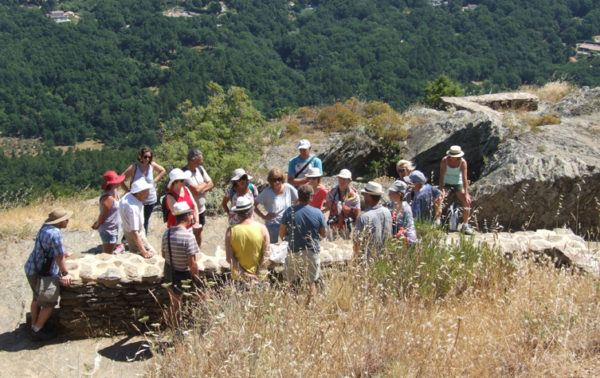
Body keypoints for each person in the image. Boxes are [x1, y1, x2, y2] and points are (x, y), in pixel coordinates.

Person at [24, 208, 73, 341]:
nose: (68, 221)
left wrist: (64, 251)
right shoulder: (55, 233)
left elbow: (54, 247)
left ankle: (33, 324)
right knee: (49, 303)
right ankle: (37, 330)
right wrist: (65, 273)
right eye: (66, 220)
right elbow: (59, 256)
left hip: (32, 268)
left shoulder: (45, 227)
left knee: (36, 298)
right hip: (44, 273)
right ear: (59, 222)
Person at [279, 185, 327, 305]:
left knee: (291, 281)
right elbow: (324, 234)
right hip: (311, 250)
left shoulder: (289, 211)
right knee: (311, 282)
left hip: (294, 249)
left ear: (298, 196)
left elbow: (282, 233)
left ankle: (291, 305)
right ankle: (309, 306)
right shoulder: (318, 212)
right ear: (311, 197)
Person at [161, 202, 200, 327]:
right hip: (183, 273)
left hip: (170, 272)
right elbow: (192, 263)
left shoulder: (166, 233)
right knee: (202, 297)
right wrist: (196, 278)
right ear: (187, 216)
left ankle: (175, 329)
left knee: (175, 304)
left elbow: (164, 254)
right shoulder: (188, 237)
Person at [120, 147, 166, 235]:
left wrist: (155, 180)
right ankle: (127, 240)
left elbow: (162, 170)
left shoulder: (151, 165)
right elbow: (121, 179)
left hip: (150, 199)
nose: (147, 159)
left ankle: (143, 240)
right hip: (136, 200)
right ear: (140, 156)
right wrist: (127, 191)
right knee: (134, 220)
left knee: (145, 221)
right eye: (145, 157)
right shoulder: (134, 167)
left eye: (149, 157)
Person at [225, 196, 270, 286]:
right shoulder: (262, 229)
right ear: (252, 210)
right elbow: (267, 255)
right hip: (260, 277)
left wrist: (245, 273)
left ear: (237, 213)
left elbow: (229, 258)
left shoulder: (231, 231)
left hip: (239, 278)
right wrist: (257, 273)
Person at [254, 168, 298, 243]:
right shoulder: (267, 191)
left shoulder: (288, 187)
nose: (277, 182)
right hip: (272, 225)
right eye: (274, 180)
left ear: (282, 178)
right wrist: (263, 216)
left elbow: (298, 200)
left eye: (279, 179)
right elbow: (253, 205)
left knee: (289, 247)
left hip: (287, 223)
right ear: (270, 180)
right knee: (271, 248)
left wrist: (294, 213)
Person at [439, 145, 474, 235]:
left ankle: (465, 225)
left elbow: (464, 178)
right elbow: (442, 175)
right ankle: (437, 222)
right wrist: (442, 189)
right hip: (447, 183)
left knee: (467, 202)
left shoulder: (462, 162)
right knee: (439, 199)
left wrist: (466, 193)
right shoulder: (444, 161)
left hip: (458, 184)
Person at [353, 182, 393, 261]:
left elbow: (357, 244)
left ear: (368, 196)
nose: (363, 196)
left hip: (369, 260)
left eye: (364, 194)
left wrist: (355, 260)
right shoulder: (387, 212)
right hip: (385, 259)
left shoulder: (364, 217)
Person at [183, 148, 214, 247]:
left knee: (199, 231)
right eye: (199, 160)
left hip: (201, 209)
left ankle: (198, 251)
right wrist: (204, 184)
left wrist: (202, 188)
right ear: (192, 160)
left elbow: (211, 183)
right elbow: (195, 191)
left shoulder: (200, 169)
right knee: (189, 233)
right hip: (189, 211)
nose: (202, 162)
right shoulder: (184, 173)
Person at [120, 179, 155, 259]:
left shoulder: (127, 196)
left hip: (127, 231)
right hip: (136, 234)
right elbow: (134, 232)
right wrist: (144, 251)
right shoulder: (133, 207)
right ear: (139, 193)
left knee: (134, 252)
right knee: (153, 254)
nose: (149, 194)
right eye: (146, 191)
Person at [92, 171, 126, 254]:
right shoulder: (108, 198)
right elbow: (103, 215)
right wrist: (98, 224)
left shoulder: (114, 192)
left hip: (114, 227)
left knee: (111, 248)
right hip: (108, 229)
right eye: (116, 182)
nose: (118, 183)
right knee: (107, 254)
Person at [325, 169, 361, 238]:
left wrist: (355, 232)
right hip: (333, 227)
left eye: (344, 179)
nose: (342, 181)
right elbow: (328, 206)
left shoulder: (354, 197)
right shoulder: (332, 192)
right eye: (340, 178)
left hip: (346, 229)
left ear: (349, 181)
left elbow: (357, 215)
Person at [165, 169, 200, 235]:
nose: (184, 181)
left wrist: (196, 222)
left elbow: (194, 205)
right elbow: (179, 214)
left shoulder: (186, 189)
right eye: (181, 180)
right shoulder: (170, 196)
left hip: (189, 226)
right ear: (174, 182)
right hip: (176, 230)